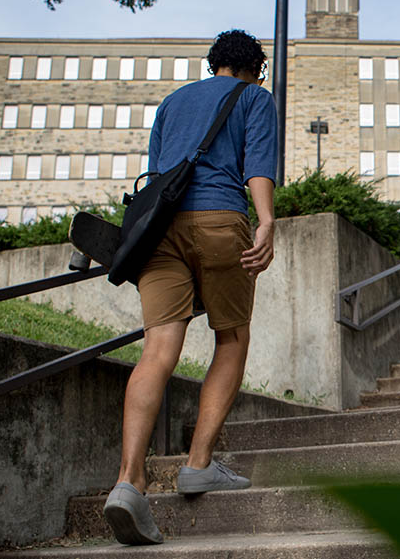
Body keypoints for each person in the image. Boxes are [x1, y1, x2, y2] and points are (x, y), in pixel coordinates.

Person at [101, 30, 278, 545]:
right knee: (231, 336)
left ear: (214, 63)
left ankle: (128, 481)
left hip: (159, 232)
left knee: (157, 349)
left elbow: (158, 174)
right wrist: (265, 221)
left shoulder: (172, 103)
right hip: (220, 220)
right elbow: (259, 165)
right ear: (254, 68)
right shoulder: (255, 98)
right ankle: (198, 464)